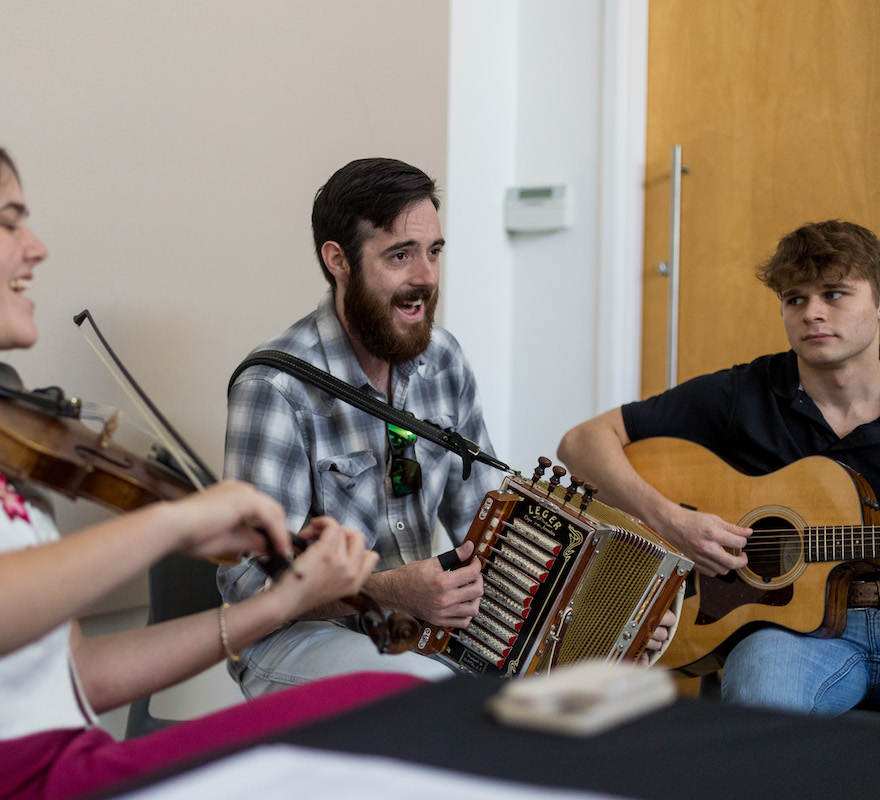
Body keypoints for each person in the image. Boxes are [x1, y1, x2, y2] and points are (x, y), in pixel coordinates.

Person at [0, 129, 425, 800]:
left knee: (384, 701)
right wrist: (173, 524)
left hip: (68, 761)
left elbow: (78, 676)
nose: (35, 246)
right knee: (394, 720)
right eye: (9, 220)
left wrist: (283, 602)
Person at [219, 158, 675, 697]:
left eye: (434, 252)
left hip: (416, 632)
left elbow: (488, 531)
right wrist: (390, 590)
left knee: (574, 701)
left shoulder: (444, 360)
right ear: (337, 260)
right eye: (399, 255)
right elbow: (249, 586)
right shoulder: (275, 387)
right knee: (438, 700)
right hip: (296, 640)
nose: (426, 278)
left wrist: (614, 621)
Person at [557, 219, 880, 714]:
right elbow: (581, 444)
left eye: (834, 295)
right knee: (761, 698)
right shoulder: (743, 393)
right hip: (797, 635)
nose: (813, 313)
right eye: (795, 299)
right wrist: (674, 521)